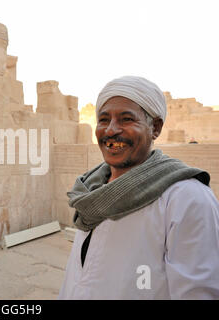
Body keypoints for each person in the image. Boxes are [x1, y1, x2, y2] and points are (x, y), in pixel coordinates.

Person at [58, 76, 219, 299]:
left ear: (156, 128)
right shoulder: (90, 190)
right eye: (104, 120)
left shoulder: (187, 198)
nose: (111, 130)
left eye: (126, 119)